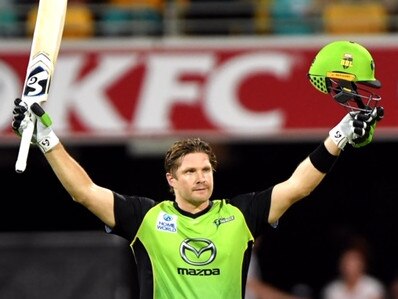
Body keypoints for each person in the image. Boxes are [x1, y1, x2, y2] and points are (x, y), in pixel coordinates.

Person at [11, 40, 384, 298]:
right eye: (190, 172)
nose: (201, 177)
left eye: (205, 169)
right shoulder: (146, 217)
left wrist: (340, 135)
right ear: (171, 180)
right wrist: (46, 137)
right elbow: (84, 191)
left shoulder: (240, 215)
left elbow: (297, 186)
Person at [322, 237, 386, 299]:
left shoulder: (373, 287)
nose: (349, 266)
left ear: (362, 264)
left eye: (354, 261)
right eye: (346, 262)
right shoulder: (332, 290)